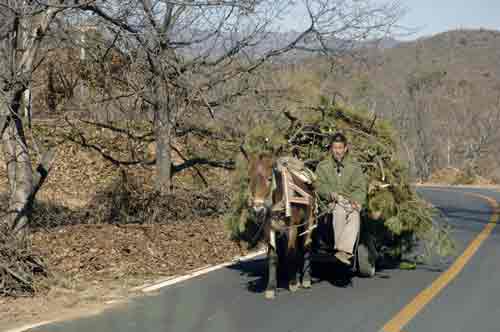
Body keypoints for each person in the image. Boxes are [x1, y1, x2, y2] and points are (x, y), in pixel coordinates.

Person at [314, 132, 367, 265]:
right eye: (335, 148)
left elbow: (360, 188)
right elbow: (318, 185)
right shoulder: (322, 167)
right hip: (331, 203)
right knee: (339, 212)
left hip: (349, 201)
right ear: (331, 149)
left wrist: (356, 201)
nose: (337, 151)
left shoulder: (354, 167)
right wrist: (330, 194)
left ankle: (344, 251)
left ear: (345, 148)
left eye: (340, 148)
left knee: (354, 215)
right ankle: (340, 248)